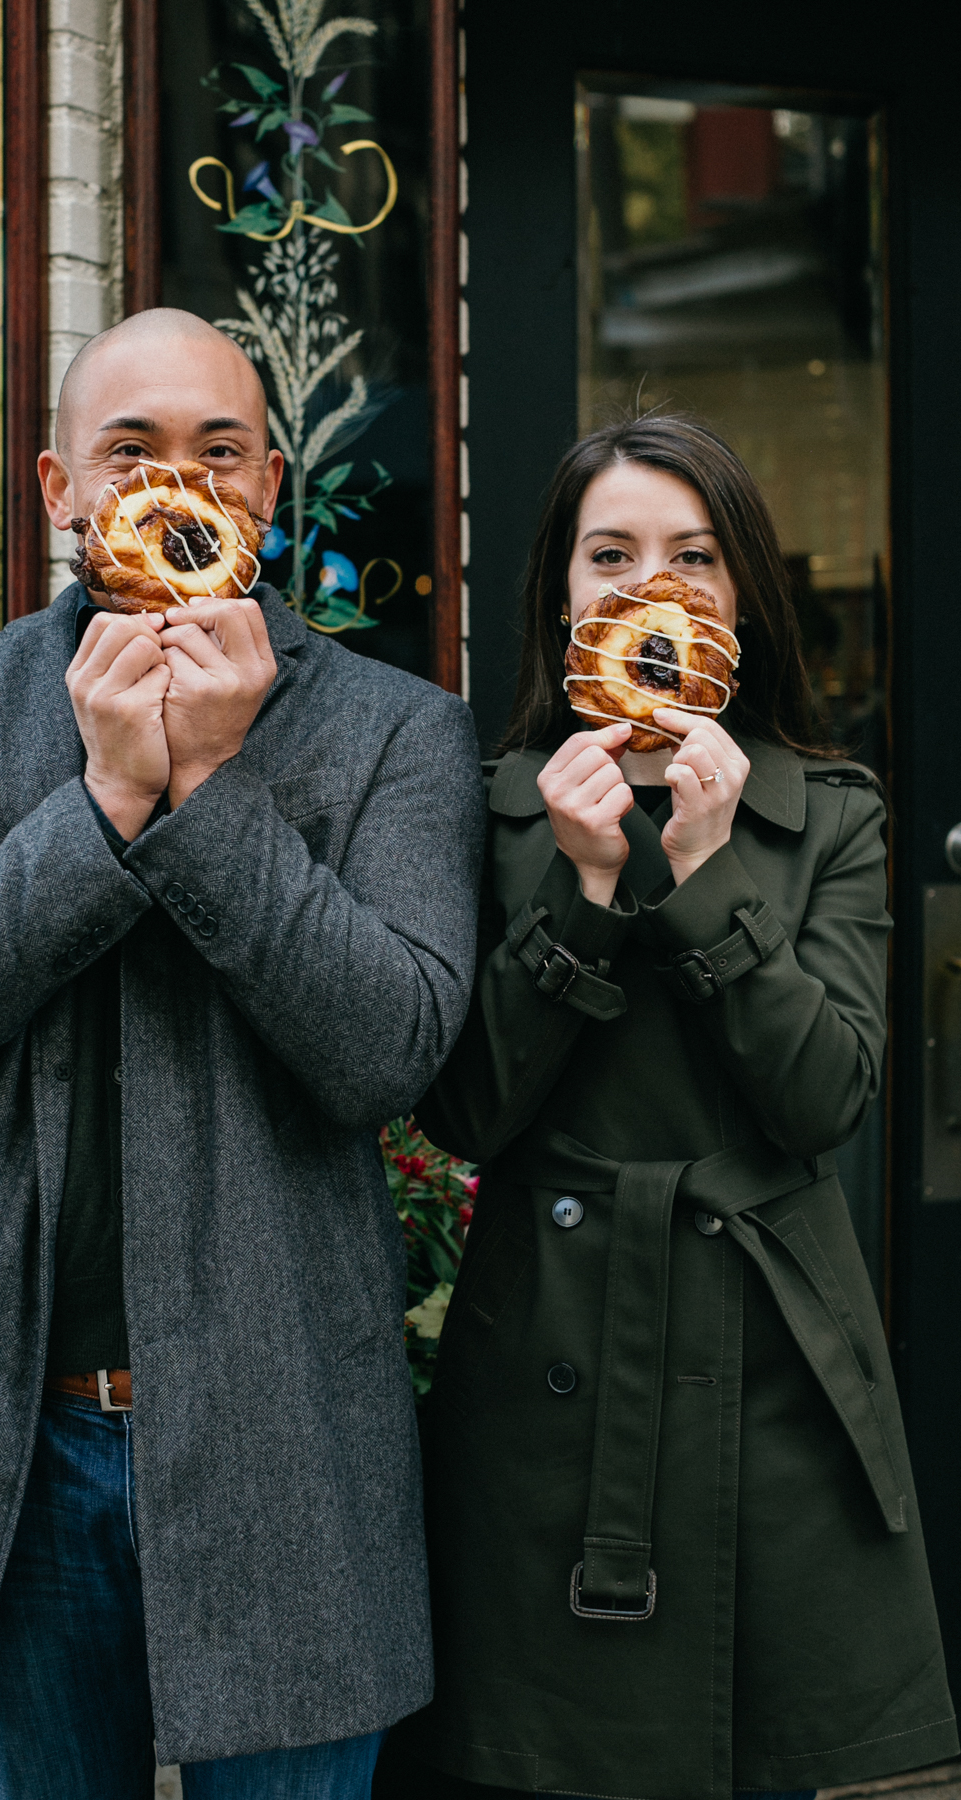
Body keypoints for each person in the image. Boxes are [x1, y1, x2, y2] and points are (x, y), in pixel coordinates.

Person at [0, 308, 486, 1799]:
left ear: (272, 488)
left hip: (292, 1440)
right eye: (132, 448)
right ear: (59, 490)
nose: (181, 478)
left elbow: (393, 1052)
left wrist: (218, 790)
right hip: (13, 1453)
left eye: (219, 451)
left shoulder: (396, 733)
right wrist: (104, 799)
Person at [389, 416, 958, 1800]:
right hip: (548, 1354)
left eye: (696, 555)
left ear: (744, 594)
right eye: (613, 553)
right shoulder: (485, 808)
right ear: (562, 595)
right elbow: (465, 1112)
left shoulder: (829, 812)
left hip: (768, 1364)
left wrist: (703, 870)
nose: (655, 585)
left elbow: (824, 1101)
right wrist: (579, 894)